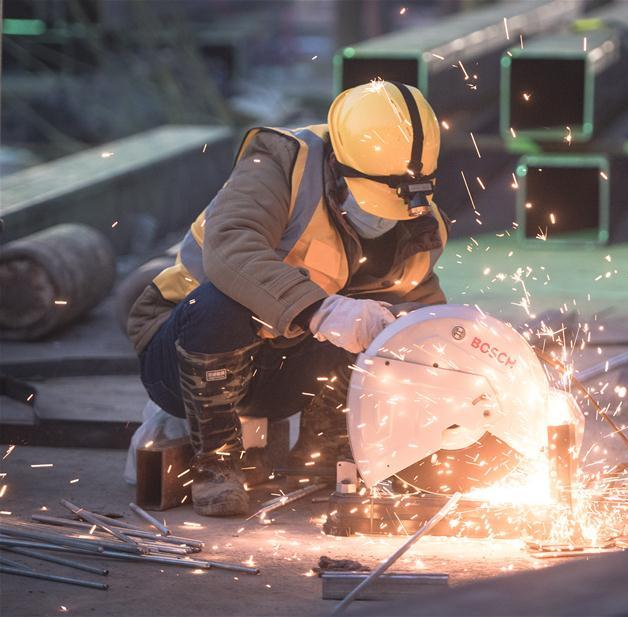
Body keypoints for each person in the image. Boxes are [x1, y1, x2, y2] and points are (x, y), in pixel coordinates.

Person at [127, 81, 448, 516]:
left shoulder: (418, 222)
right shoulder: (278, 165)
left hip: (280, 373)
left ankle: (327, 443)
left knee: (381, 325)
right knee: (225, 301)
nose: (380, 217)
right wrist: (322, 309)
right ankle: (217, 464)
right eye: (372, 201)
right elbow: (230, 251)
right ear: (338, 163)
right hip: (184, 358)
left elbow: (425, 320)